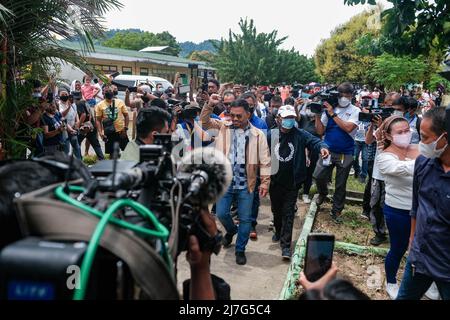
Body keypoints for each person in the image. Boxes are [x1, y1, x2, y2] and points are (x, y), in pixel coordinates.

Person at [200, 96, 271, 265]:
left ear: (248, 114)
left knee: (245, 219)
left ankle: (240, 249)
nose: (235, 119)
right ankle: (231, 231)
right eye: (232, 115)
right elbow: (204, 122)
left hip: (246, 185)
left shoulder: (258, 135)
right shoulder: (223, 126)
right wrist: (210, 104)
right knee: (222, 214)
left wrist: (265, 182)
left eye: (239, 116)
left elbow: (265, 160)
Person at [397, 107, 450, 300]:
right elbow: (416, 205)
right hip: (419, 257)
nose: (421, 144)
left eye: (425, 138)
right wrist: (413, 240)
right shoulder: (423, 163)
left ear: (444, 137)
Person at [270, 105, 329, 259]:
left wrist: (323, 147)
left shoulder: (300, 135)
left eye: (292, 118)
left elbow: (315, 141)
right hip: (274, 181)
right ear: (279, 119)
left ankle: (285, 246)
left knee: (288, 213)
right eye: (286, 118)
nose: (289, 121)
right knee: (276, 211)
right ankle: (278, 230)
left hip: (293, 182)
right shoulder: (272, 135)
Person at [376, 115, 420, 299]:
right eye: (399, 132)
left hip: (422, 210)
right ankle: (392, 281)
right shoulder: (385, 157)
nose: (405, 134)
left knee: (424, 248)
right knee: (399, 247)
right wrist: (427, 161)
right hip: (398, 211)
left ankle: (428, 281)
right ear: (388, 135)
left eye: (407, 131)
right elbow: (401, 169)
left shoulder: (418, 149)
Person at [313, 82, 361, 223]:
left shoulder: (355, 111)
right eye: (341, 95)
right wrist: (317, 115)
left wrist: (332, 114)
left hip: (345, 152)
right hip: (328, 149)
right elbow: (320, 131)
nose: (344, 98)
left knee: (341, 183)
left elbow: (348, 128)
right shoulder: (330, 109)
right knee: (318, 175)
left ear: (352, 96)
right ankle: (323, 193)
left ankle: (337, 211)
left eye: (347, 95)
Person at [240, 92, 268, 239]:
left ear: (255, 105)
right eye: (245, 105)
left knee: (253, 197)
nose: (248, 108)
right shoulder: (234, 122)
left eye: (250, 105)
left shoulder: (261, 124)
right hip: (237, 166)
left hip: (253, 167)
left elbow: (263, 149)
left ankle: (251, 224)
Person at [95, 85, 130, 156]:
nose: (108, 92)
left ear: (113, 92)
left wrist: (125, 128)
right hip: (109, 133)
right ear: (103, 93)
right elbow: (98, 120)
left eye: (110, 91)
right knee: (113, 155)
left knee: (128, 152)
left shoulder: (120, 102)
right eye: (106, 91)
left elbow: (126, 115)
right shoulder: (99, 105)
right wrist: (101, 133)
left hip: (121, 132)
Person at [298, 102, 322, 204]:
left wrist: (317, 115)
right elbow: (296, 116)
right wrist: (296, 106)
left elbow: (319, 132)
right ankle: (297, 189)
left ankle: (306, 193)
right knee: (299, 169)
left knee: (310, 171)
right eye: (308, 107)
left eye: (312, 108)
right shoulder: (303, 119)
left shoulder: (320, 121)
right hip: (301, 150)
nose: (310, 110)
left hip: (313, 151)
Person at [58, 90, 81, 159]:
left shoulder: (73, 104)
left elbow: (76, 113)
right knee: (66, 148)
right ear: (59, 96)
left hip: (73, 128)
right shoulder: (59, 104)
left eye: (66, 94)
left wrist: (78, 121)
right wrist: (68, 107)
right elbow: (62, 115)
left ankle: (79, 162)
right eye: (63, 94)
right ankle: (66, 163)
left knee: (76, 147)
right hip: (65, 129)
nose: (65, 96)